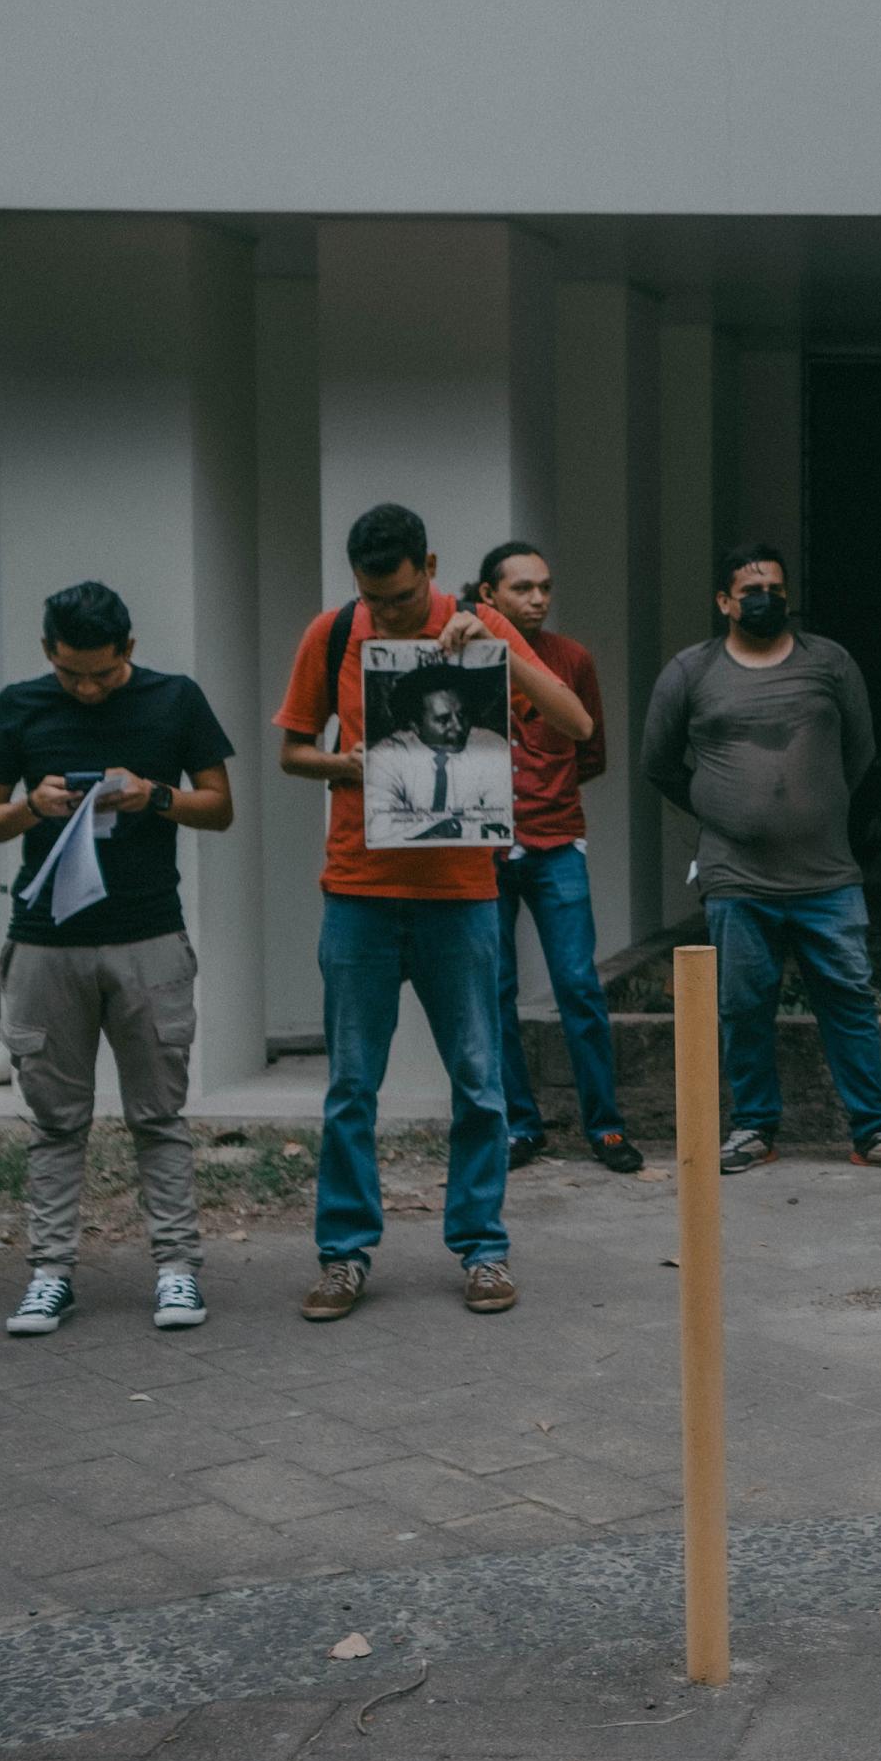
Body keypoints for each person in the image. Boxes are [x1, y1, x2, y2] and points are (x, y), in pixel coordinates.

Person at [276, 503, 592, 1322]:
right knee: (352, 1086)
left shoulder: (481, 622)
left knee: (480, 1085)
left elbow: (575, 720)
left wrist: (492, 652)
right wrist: (340, 764)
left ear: (432, 565)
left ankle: (483, 1248)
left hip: (460, 897)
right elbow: (291, 750)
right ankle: (344, 1255)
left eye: (404, 599)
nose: (388, 613)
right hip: (359, 893)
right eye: (373, 600)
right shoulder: (335, 632)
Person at [0, 582, 236, 1335]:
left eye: (103, 674)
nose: (86, 688)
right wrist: (33, 807)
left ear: (130, 649)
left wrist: (155, 797)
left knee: (159, 1115)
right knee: (56, 1122)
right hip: (46, 941)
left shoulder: (175, 700)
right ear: (48, 652)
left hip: (148, 935)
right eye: (71, 673)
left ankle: (178, 1271)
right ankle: (50, 1276)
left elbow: (220, 805)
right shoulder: (19, 707)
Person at [641, 543, 881, 1178]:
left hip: (826, 874)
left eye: (775, 587)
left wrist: (810, 804)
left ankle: (874, 1131)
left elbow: (861, 750)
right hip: (735, 876)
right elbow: (658, 763)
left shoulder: (830, 663)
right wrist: (719, 803)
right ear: (724, 602)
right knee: (744, 1004)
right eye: (751, 589)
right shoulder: (690, 671)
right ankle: (753, 1129)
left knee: (850, 999)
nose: (766, 598)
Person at [474, 542, 640, 1175]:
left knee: (578, 986)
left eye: (544, 587)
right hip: (483, 852)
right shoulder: (466, 655)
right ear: (489, 596)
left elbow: (590, 751)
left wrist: (546, 798)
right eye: (522, 588)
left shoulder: (572, 660)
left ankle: (606, 1128)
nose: (538, 599)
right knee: (495, 991)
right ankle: (521, 1126)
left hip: (556, 844)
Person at [361, 665, 512, 839]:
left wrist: (446, 827)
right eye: (443, 720)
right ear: (415, 726)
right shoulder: (385, 757)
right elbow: (379, 827)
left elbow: (502, 821)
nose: (459, 727)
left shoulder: (491, 746)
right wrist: (461, 824)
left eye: (462, 715)